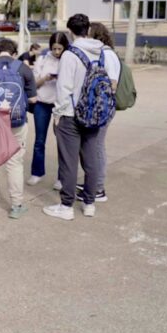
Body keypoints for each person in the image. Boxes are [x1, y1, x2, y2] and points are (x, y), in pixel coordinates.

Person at [43, 14, 109, 220]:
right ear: (88, 29)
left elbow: (64, 88)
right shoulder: (101, 52)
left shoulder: (70, 55)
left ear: (70, 32)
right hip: (94, 113)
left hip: (71, 115)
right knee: (91, 160)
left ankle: (66, 206)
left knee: (69, 162)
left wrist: (58, 114)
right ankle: (89, 203)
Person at [0, 39, 37, 219]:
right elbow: (33, 99)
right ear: (14, 52)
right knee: (15, 163)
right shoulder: (24, 69)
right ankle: (16, 206)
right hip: (17, 122)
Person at [27, 32, 70, 186]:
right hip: (42, 103)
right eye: (54, 48)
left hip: (61, 104)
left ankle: (61, 177)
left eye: (60, 49)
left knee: (62, 142)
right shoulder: (42, 60)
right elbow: (34, 84)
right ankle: (37, 172)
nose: (57, 52)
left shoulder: (69, 59)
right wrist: (46, 78)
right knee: (39, 140)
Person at [85, 22, 121, 203]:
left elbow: (112, 84)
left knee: (97, 146)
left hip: (102, 107)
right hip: (103, 106)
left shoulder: (106, 55)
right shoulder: (108, 53)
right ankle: (94, 184)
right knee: (95, 146)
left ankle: (98, 188)